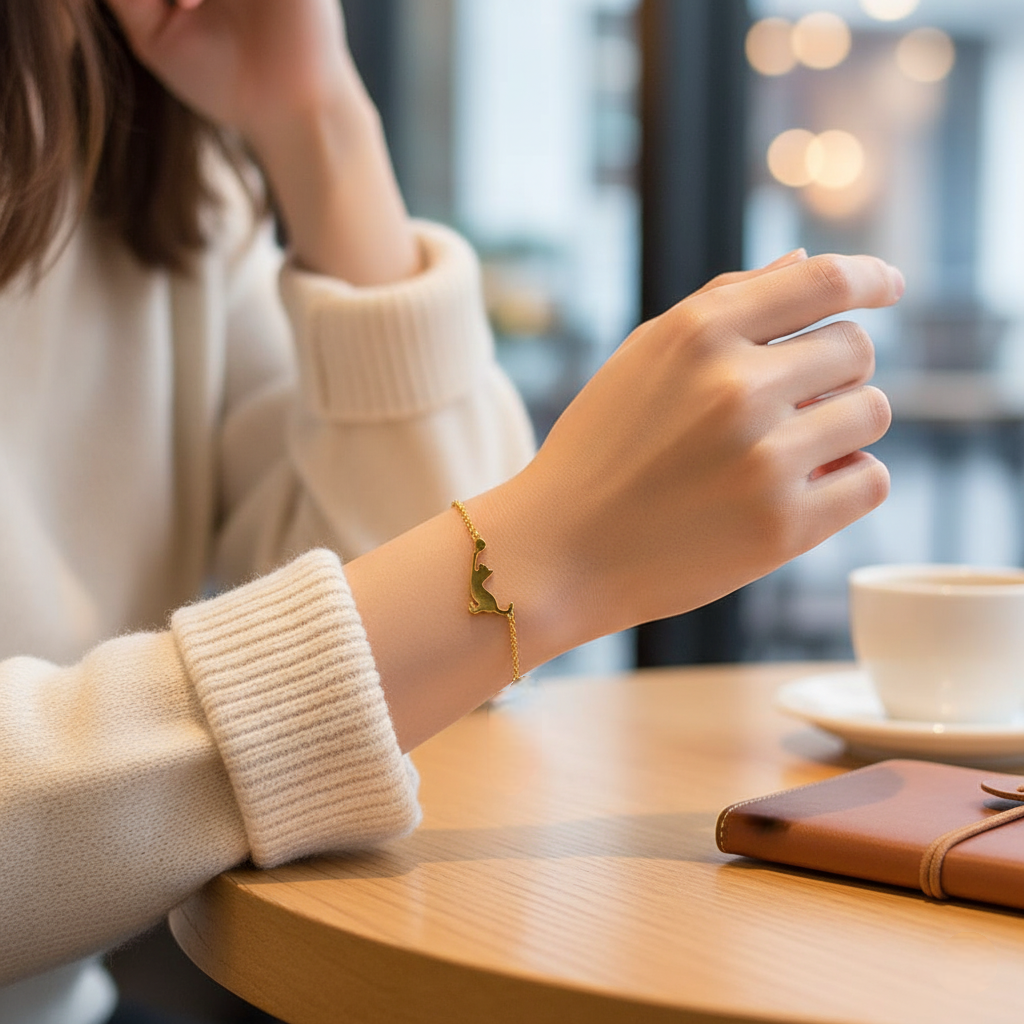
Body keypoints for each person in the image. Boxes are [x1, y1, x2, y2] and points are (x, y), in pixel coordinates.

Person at [0, 1, 903, 1022]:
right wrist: (546, 551)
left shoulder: (152, 155)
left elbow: (438, 690)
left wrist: (318, 117)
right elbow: (434, 645)